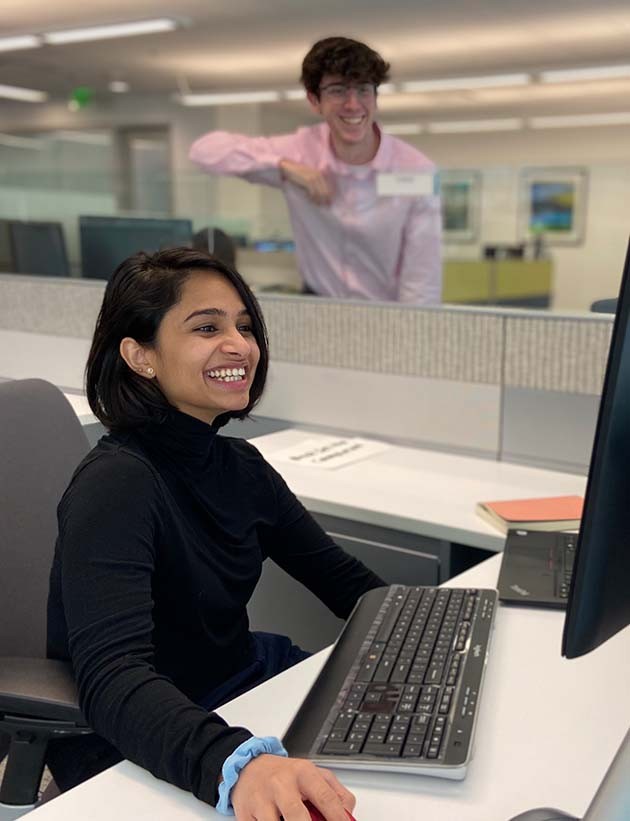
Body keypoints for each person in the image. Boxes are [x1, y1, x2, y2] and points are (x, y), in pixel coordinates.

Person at [46, 247, 384, 820]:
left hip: (238, 684)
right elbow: (112, 678)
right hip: (141, 736)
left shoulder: (240, 467)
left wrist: (438, 624)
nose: (239, 345)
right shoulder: (117, 484)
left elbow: (342, 580)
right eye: (207, 327)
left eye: (244, 326)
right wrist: (238, 763)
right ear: (140, 355)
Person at [189, 36, 442, 304]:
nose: (353, 104)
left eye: (364, 89)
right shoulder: (299, 150)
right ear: (314, 100)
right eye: (338, 90)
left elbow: (422, 277)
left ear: (376, 97)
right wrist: (284, 167)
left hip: (385, 311)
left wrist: (411, 331)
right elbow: (205, 152)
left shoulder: (415, 171)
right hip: (317, 307)